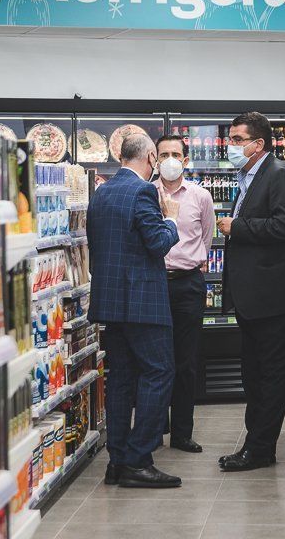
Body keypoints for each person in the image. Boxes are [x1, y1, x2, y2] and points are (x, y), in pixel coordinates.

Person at [216, 112, 285, 472]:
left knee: (271, 377)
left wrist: (237, 227)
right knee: (255, 375)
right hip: (256, 299)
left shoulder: (279, 176)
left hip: (276, 299)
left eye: (238, 139)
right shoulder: (248, 177)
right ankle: (256, 444)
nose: (231, 146)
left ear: (259, 144)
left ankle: (259, 450)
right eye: (230, 139)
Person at [86, 133, 183, 488]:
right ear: (150, 158)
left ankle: (118, 460)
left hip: (111, 303)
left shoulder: (102, 192)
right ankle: (139, 460)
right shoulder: (143, 191)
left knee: (121, 380)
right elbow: (158, 243)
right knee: (159, 373)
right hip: (142, 303)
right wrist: (170, 219)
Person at [154, 134, 215, 454]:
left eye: (175, 154)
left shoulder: (201, 196)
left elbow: (206, 236)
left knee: (186, 361)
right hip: (154, 283)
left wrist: (192, 261)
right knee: (153, 359)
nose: (170, 159)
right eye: (163, 154)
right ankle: (153, 429)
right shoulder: (147, 194)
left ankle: (182, 433)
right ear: (155, 159)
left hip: (189, 284)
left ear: (186, 160)